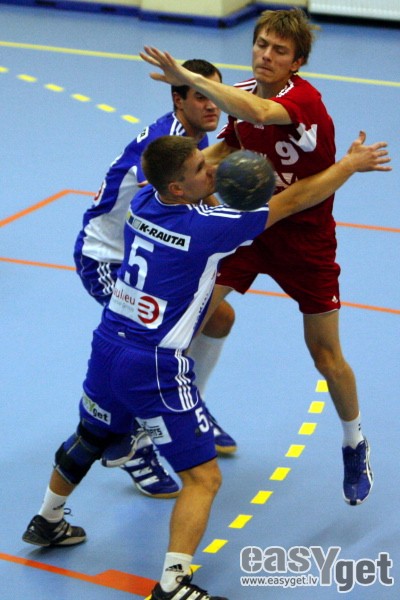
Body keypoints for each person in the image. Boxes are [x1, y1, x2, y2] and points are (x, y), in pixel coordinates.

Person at [22, 133, 390, 600]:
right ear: (178, 187)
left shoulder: (144, 202)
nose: (211, 168)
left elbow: (191, 176)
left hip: (108, 345)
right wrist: (349, 165)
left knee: (90, 436)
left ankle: (48, 518)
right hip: (155, 364)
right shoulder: (207, 229)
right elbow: (294, 200)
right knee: (204, 478)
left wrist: (222, 151)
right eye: (200, 168)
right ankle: (174, 585)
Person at [140, 8, 385, 506]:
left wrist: (188, 77)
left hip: (306, 240)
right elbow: (227, 145)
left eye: (279, 50)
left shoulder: (302, 100)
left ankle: (354, 442)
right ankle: (173, 415)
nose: (266, 55)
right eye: (261, 45)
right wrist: (169, 183)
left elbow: (259, 115)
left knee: (325, 355)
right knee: (191, 319)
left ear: (297, 62)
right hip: (251, 232)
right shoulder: (243, 94)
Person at [73, 59, 237, 501]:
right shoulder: (166, 145)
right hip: (107, 257)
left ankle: (187, 405)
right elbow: (176, 209)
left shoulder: (193, 141)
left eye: (215, 94)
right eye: (201, 96)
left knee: (218, 319)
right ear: (178, 100)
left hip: (143, 251)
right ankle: (130, 443)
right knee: (148, 347)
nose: (212, 104)